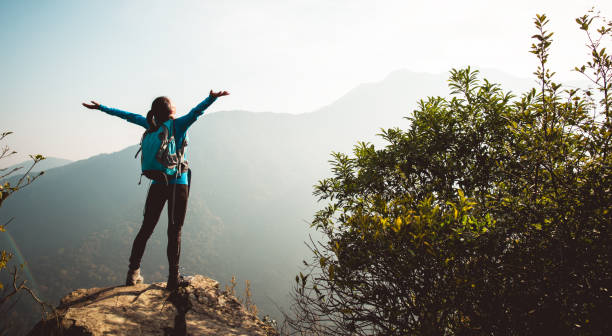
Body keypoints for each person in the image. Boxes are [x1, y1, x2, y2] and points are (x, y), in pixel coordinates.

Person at [82, 90, 229, 290]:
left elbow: (126, 115)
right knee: (174, 230)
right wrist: (212, 98)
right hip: (178, 183)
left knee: (146, 228)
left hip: (158, 183)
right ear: (171, 110)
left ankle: (133, 273)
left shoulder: (150, 124)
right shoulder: (178, 125)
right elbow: (196, 112)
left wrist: (101, 108)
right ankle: (173, 278)